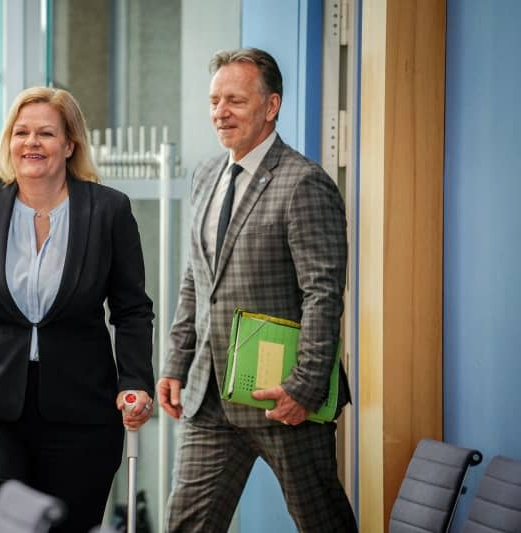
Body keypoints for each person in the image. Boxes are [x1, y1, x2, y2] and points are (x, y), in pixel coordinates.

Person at [0, 86, 155, 533]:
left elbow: (132, 311)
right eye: (21, 132)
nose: (32, 143)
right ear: (9, 141)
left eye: (46, 133)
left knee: (66, 525)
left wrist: (136, 382)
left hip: (82, 412)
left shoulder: (108, 210)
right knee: (3, 523)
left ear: (69, 144)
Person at [156, 48, 357, 532]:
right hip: (209, 396)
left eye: (235, 101)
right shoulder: (206, 176)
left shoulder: (304, 183)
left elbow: (323, 294)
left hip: (281, 396)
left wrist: (304, 388)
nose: (220, 113)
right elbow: (196, 279)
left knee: (321, 521)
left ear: (271, 107)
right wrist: (176, 363)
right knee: (186, 523)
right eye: (214, 101)